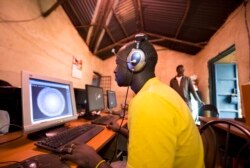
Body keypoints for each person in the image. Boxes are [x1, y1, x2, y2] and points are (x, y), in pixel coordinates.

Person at [61, 33, 204, 168]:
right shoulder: (157, 91)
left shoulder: (149, 101)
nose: (115, 70)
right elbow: (152, 142)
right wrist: (120, 130)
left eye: (118, 63)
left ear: (135, 63)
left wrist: (94, 161)